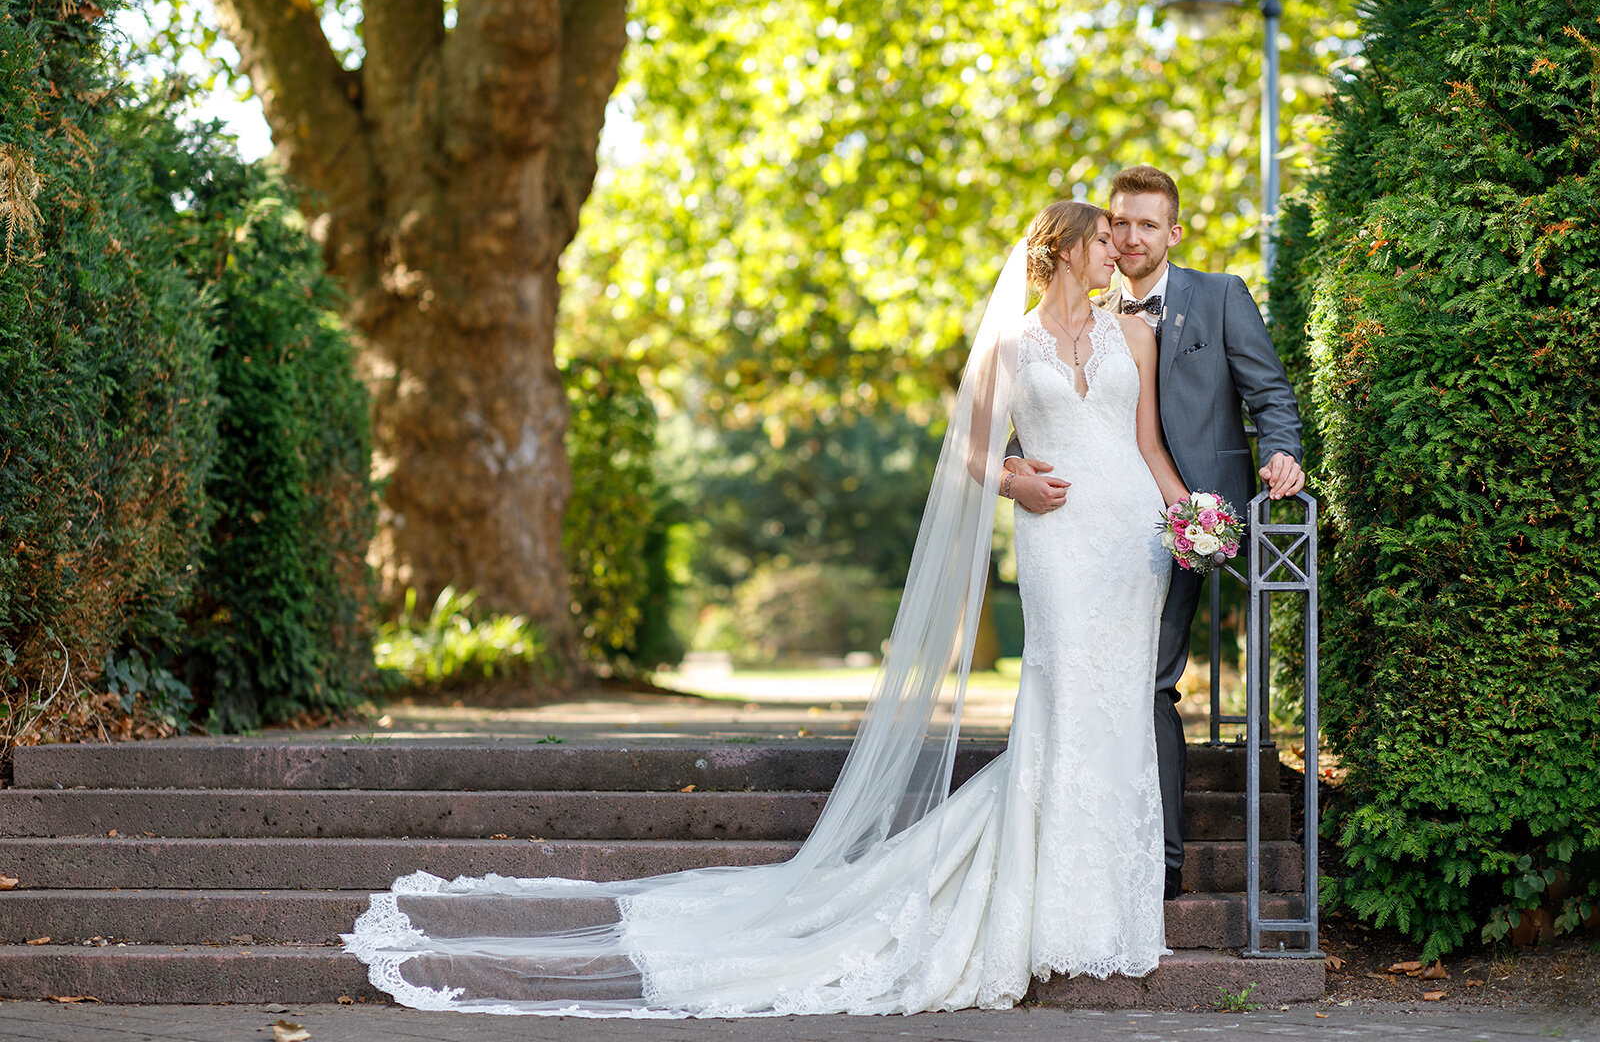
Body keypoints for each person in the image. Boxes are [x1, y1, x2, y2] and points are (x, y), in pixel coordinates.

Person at [344, 200, 1190, 1016]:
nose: (1117, 247)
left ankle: (1110, 908)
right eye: (1102, 237)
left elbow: (1147, 444)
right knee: (1063, 703)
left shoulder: (1135, 334)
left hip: (1130, 540)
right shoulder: (1009, 342)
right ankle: (1046, 911)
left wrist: (1193, 519)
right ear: (1063, 249)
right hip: (1056, 538)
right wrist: (1012, 481)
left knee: (1118, 711)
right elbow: (970, 451)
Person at [1005, 165, 1304, 902]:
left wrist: (1280, 453)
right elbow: (1033, 423)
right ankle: (1142, 859)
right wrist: (1011, 472)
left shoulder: (1220, 296)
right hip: (1092, 525)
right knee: (1134, 682)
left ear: (1173, 232)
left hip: (1193, 520)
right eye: (1119, 225)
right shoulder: (1083, 314)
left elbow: (1268, 391)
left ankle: (1156, 862)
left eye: (1146, 225)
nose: (1130, 238)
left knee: (1150, 680)